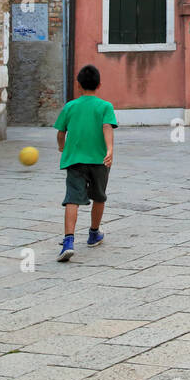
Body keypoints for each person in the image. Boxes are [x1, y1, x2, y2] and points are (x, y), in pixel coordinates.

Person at [52, 64, 118, 262]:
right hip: (99, 159)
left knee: (72, 198)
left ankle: (68, 241)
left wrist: (61, 147)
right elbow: (107, 127)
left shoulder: (70, 106)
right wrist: (109, 150)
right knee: (99, 196)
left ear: (78, 85)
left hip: (75, 160)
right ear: (99, 85)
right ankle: (93, 233)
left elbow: (60, 132)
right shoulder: (105, 106)